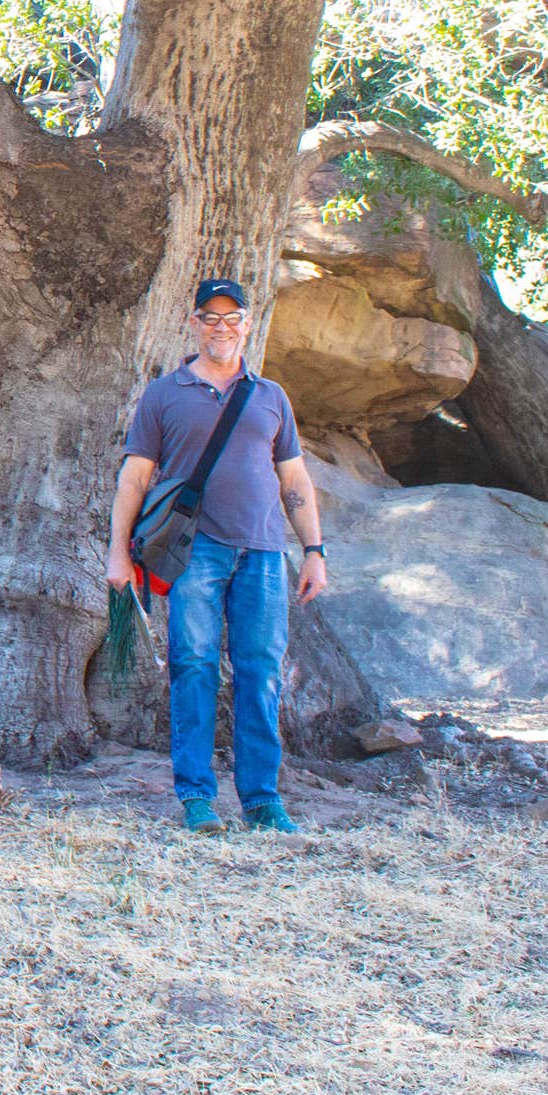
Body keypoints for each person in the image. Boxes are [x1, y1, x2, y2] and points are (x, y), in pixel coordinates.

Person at [106, 278, 328, 835]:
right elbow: (134, 478)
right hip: (193, 552)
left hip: (263, 552)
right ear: (195, 324)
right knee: (194, 667)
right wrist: (117, 553)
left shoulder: (270, 396)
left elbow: (294, 479)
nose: (222, 327)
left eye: (232, 318)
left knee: (260, 672)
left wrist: (314, 550)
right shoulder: (164, 394)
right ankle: (197, 798)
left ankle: (262, 800)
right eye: (211, 317)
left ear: (248, 325)